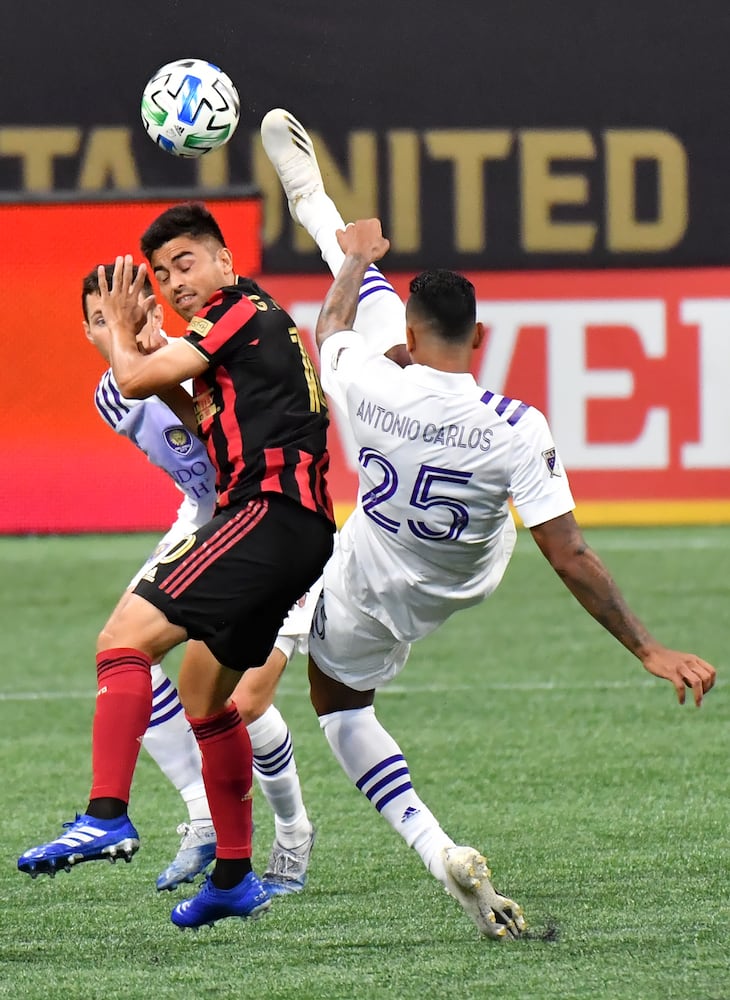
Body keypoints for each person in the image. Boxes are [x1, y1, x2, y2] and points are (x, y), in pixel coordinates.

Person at [260, 108, 717, 940]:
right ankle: (311, 195)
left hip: (371, 574)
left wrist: (360, 256)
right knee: (360, 297)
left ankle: (433, 851)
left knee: (337, 709)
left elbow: (329, 330)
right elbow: (571, 555)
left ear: (410, 336)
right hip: (465, 570)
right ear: (482, 337)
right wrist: (647, 647)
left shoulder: (368, 381)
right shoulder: (517, 424)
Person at [18, 204, 336, 930]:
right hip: (284, 523)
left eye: (184, 264)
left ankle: (106, 814)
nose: (173, 283)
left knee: (122, 640)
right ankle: (232, 876)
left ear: (225, 260)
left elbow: (132, 381)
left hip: (264, 515)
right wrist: (137, 355)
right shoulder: (242, 326)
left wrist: (122, 345)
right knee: (203, 695)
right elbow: (202, 428)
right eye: (159, 276)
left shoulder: (235, 306)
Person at [79, 264, 319, 895]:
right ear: (88, 333)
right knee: (128, 649)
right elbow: (201, 466)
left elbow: (229, 451)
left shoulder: (207, 348)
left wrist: (156, 362)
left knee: (243, 703)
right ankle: (201, 817)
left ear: (158, 310)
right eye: (103, 320)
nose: (123, 325)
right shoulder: (117, 393)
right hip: (208, 521)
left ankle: (292, 831)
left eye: (134, 308)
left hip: (266, 522)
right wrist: (145, 363)